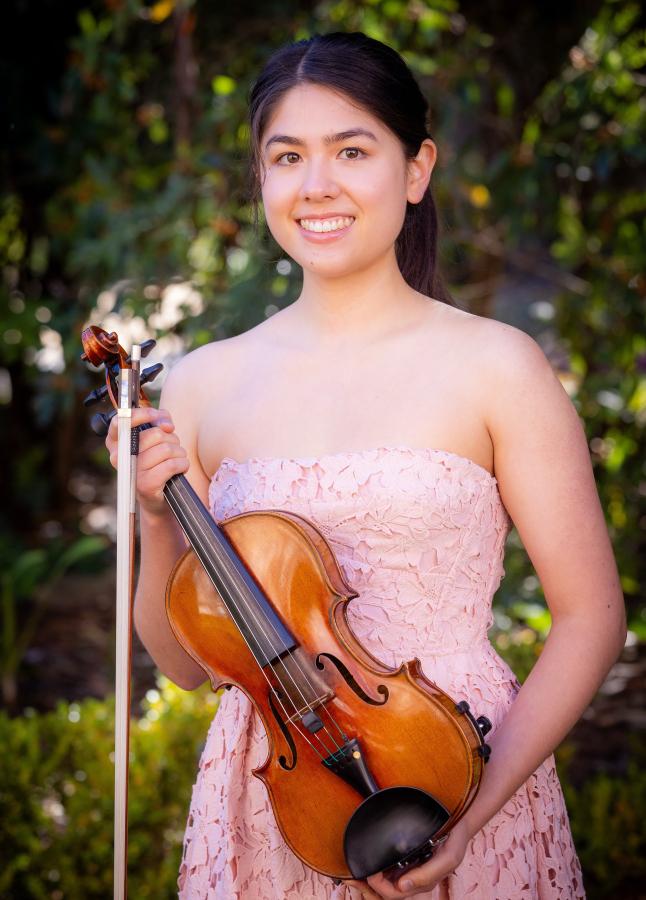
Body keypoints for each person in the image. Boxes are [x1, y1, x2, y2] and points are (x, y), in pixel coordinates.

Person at [105, 31, 626, 900]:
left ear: (417, 170)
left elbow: (591, 619)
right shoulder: (199, 384)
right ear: (261, 179)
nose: (317, 185)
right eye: (287, 156)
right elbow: (189, 665)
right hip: (273, 797)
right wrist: (157, 517)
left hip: (458, 772)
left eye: (352, 150)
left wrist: (465, 811)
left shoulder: (498, 366)